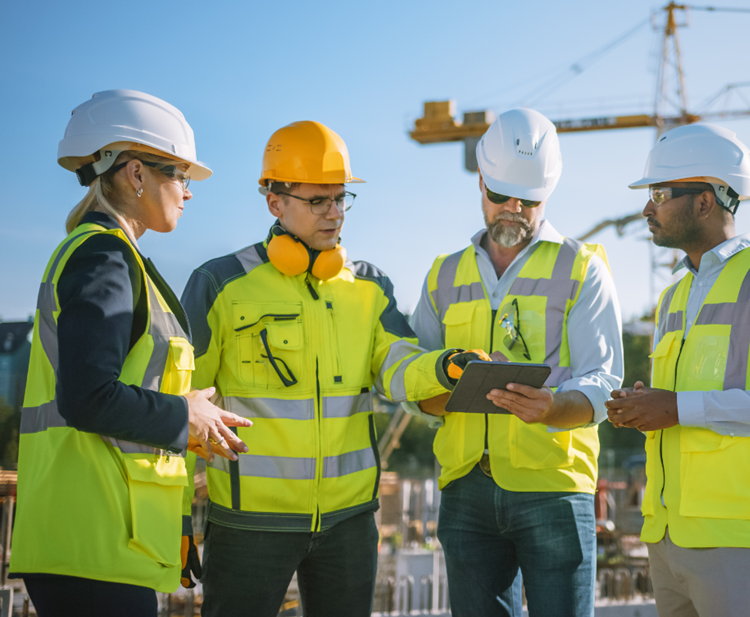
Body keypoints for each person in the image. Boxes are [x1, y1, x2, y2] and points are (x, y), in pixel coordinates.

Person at [180, 120, 471, 617]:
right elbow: (185, 404)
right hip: (249, 524)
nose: (335, 213)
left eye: (341, 199)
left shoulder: (370, 287)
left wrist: (446, 368)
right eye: (319, 201)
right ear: (274, 201)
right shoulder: (220, 284)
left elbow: (397, 366)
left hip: (349, 525)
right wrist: (179, 514)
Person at [10, 90, 253, 617]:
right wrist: (183, 413)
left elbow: (108, 389)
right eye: (179, 175)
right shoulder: (104, 256)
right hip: (90, 542)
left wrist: (188, 420)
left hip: (99, 542)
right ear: (136, 174)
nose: (188, 192)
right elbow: (87, 397)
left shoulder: (110, 256)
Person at [406, 108, 624, 617]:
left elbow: (604, 379)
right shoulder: (444, 274)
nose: (514, 209)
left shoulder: (582, 268)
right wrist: (440, 388)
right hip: (466, 488)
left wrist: (554, 407)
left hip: (553, 487)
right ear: (480, 180)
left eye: (528, 200)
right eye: (501, 195)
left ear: (547, 194)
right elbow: (415, 372)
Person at [605, 123, 750, 617]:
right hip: (667, 537)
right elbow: (686, 401)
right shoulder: (673, 295)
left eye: (659, 194)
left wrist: (678, 407)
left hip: (739, 543)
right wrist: (646, 405)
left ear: (705, 201)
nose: (647, 208)